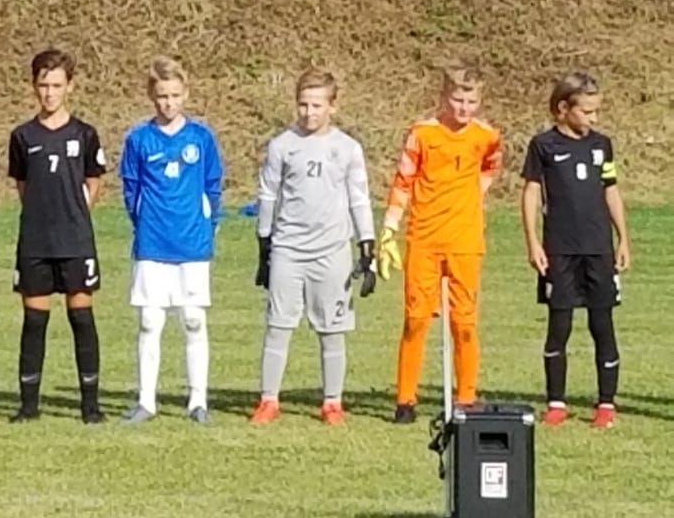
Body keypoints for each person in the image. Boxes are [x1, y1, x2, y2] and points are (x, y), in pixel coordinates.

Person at [250, 70, 377, 425]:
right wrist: (264, 245)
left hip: (331, 251)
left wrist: (367, 246)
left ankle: (332, 402)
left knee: (332, 330)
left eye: (317, 105)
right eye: (303, 105)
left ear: (332, 106)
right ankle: (269, 400)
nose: (309, 112)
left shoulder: (348, 148)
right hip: (289, 250)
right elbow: (268, 194)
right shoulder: (282, 145)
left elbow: (359, 198)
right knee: (278, 325)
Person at [386, 64, 503, 423]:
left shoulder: (487, 136)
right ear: (444, 98)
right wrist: (389, 227)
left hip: (465, 241)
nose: (463, 108)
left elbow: (491, 168)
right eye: (457, 100)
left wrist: (470, 198)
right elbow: (404, 180)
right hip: (424, 238)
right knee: (416, 320)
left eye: (471, 101)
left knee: (464, 323)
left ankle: (466, 397)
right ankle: (405, 399)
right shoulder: (422, 133)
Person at [521, 72, 631, 429]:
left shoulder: (602, 145)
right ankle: (556, 402)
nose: (593, 118)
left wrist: (623, 238)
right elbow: (531, 192)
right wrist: (533, 241)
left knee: (603, 324)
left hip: (598, 250)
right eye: (586, 111)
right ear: (562, 109)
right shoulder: (543, 146)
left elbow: (610, 189)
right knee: (560, 324)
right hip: (560, 250)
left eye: (596, 111)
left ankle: (606, 403)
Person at [118, 57, 224, 425]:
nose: (168, 102)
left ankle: (198, 400)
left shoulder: (201, 138)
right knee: (150, 321)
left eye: (175, 95)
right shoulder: (139, 139)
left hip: (192, 243)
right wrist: (145, 223)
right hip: (152, 242)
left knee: (193, 319)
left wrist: (208, 225)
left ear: (186, 94)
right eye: (162, 95)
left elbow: (212, 186)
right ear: (152, 95)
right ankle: (146, 401)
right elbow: (131, 190)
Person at [9, 49, 106, 424]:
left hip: (75, 241)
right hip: (36, 241)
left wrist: (75, 213)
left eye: (56, 85)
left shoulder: (85, 134)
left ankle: (90, 406)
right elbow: (22, 185)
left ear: (70, 87)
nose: (49, 93)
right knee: (35, 321)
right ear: (34, 86)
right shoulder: (23, 136)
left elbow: (93, 181)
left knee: (81, 318)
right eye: (43, 85)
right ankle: (28, 406)